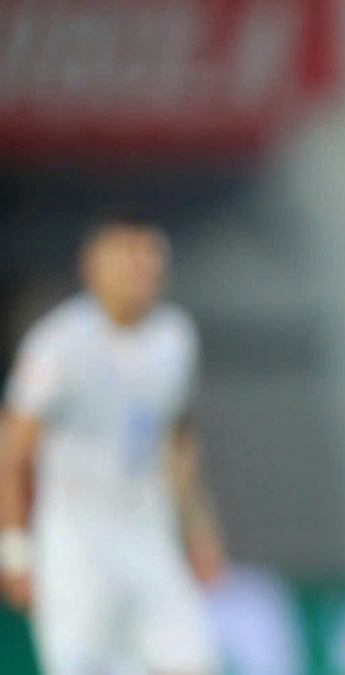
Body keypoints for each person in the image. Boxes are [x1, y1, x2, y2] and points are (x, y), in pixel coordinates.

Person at [0, 216, 225, 674]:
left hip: (148, 532)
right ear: (94, 268)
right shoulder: (59, 343)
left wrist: (199, 530)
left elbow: (177, 443)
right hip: (77, 539)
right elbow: (13, 451)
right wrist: (15, 548)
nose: (141, 272)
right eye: (128, 259)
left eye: (150, 260)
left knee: (192, 663)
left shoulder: (175, 337)